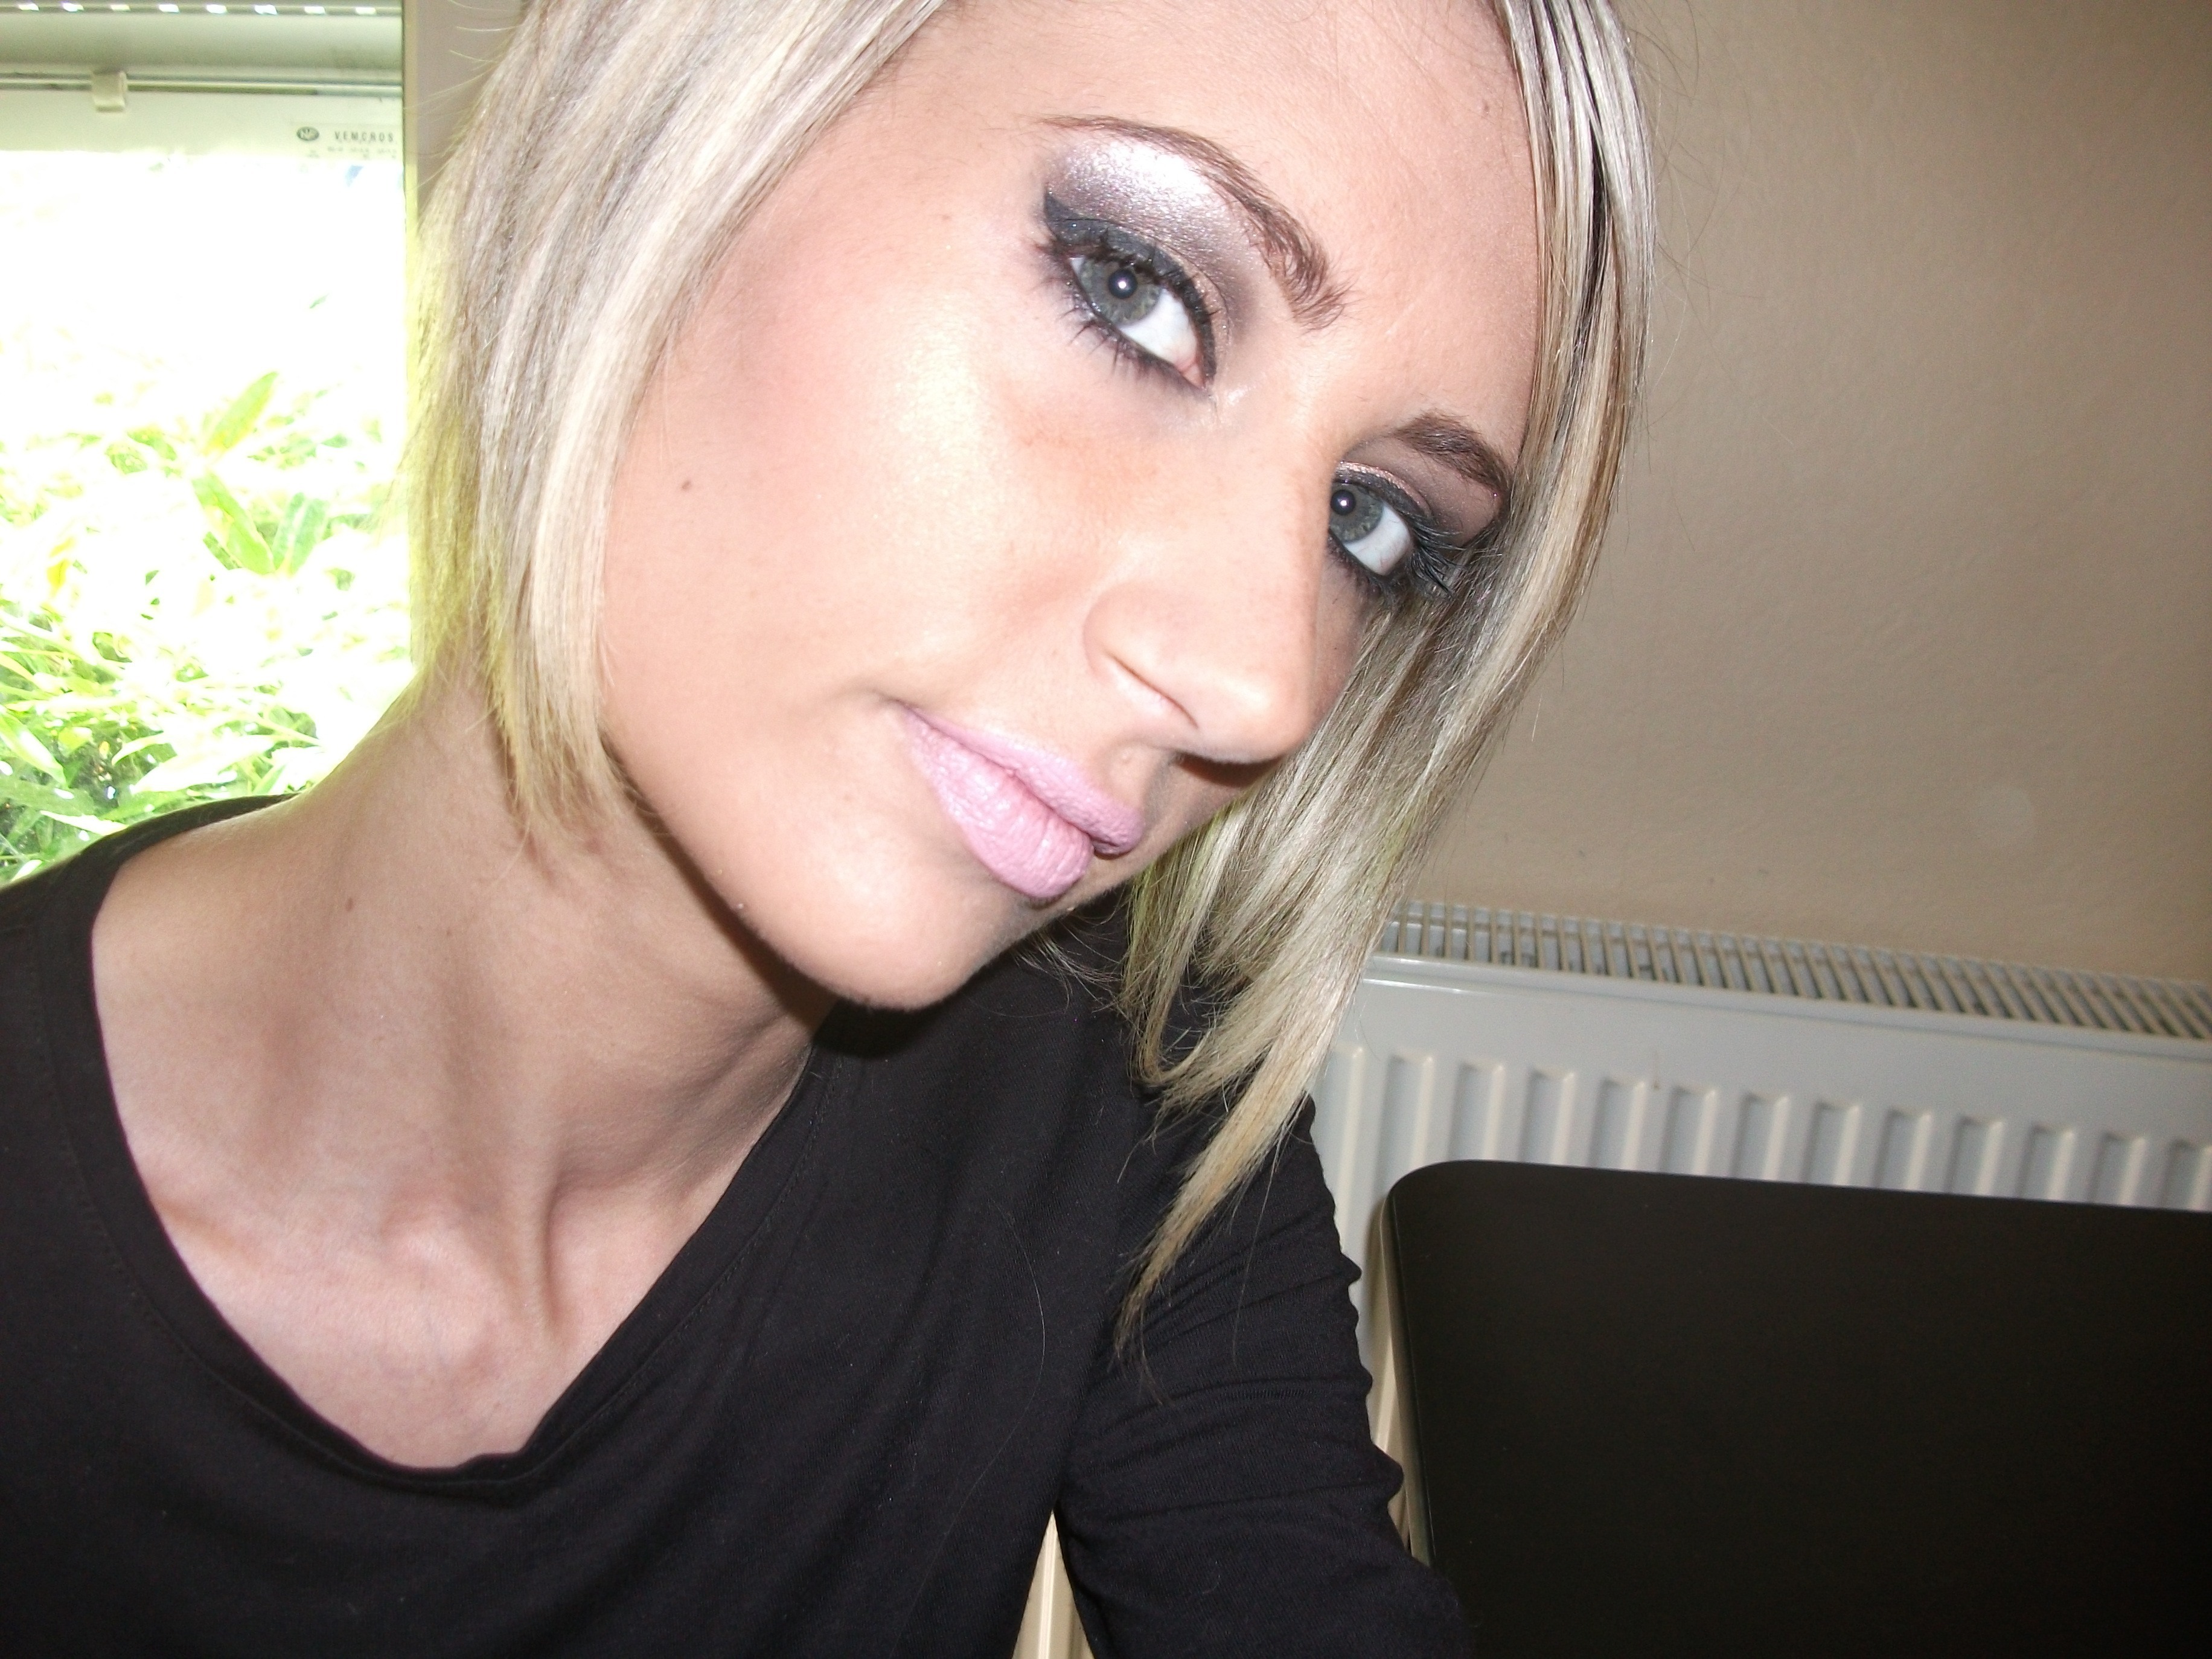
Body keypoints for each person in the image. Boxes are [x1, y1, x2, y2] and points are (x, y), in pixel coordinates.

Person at [0, 0, 1649, 1651]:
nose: (1262, 685)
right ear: (668, 121)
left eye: (1373, 523)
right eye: (1136, 291)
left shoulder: (1136, 1086)